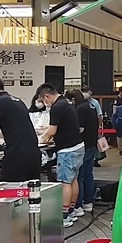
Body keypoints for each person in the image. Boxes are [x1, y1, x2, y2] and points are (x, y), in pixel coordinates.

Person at [37, 83, 85, 228]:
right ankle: (71, 211)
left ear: (47, 96)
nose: (44, 103)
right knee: (73, 179)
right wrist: (45, 130)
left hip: (67, 150)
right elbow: (60, 125)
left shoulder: (56, 107)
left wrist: (40, 140)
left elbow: (51, 131)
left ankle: (64, 217)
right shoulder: (67, 103)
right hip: (78, 147)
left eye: (42, 100)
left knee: (65, 182)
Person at [66, 90, 98, 215]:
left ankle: (78, 205)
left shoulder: (80, 109)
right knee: (88, 175)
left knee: (78, 176)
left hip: (83, 146)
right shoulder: (91, 106)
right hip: (92, 144)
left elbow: (80, 129)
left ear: (73, 100)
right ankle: (88, 202)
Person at [82, 87, 104, 167]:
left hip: (94, 126)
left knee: (96, 144)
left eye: (86, 91)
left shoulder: (95, 102)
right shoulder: (81, 103)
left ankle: (96, 159)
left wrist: (99, 126)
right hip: (86, 129)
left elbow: (99, 115)